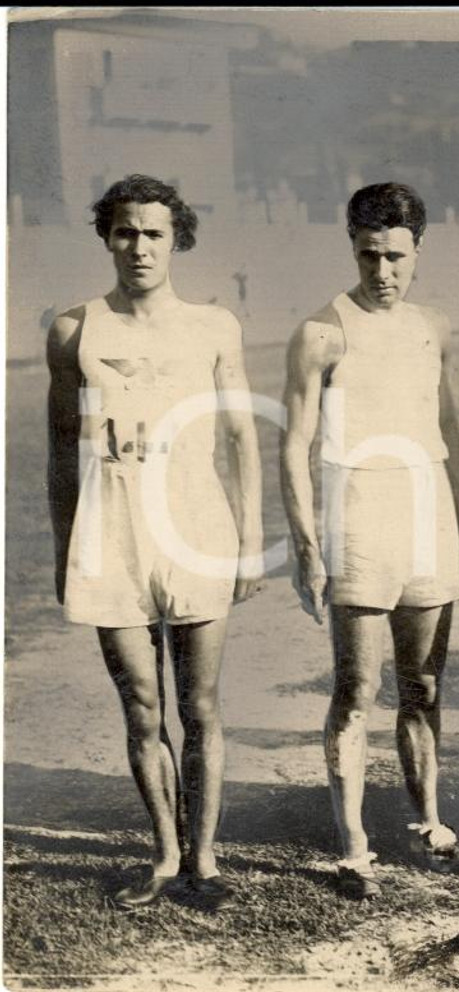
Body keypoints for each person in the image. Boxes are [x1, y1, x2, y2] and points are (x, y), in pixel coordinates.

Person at [46, 174, 265, 912]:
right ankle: (165, 856)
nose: (139, 247)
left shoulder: (213, 325)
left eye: (154, 234)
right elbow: (58, 448)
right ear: (106, 236)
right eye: (125, 232)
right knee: (142, 707)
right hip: (113, 529)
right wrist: (62, 547)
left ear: (179, 240)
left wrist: (252, 536)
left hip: (196, 522)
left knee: (199, 707)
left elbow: (239, 433)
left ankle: (206, 859)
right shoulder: (74, 329)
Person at [280, 182, 459, 900]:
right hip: (358, 509)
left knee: (424, 683)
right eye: (370, 255)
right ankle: (354, 847)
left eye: (397, 256)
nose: (383, 271)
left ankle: (427, 823)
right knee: (356, 687)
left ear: (418, 251)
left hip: (425, 506)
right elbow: (296, 443)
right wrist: (307, 545)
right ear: (353, 247)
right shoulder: (321, 332)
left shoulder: (434, 325)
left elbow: (450, 429)